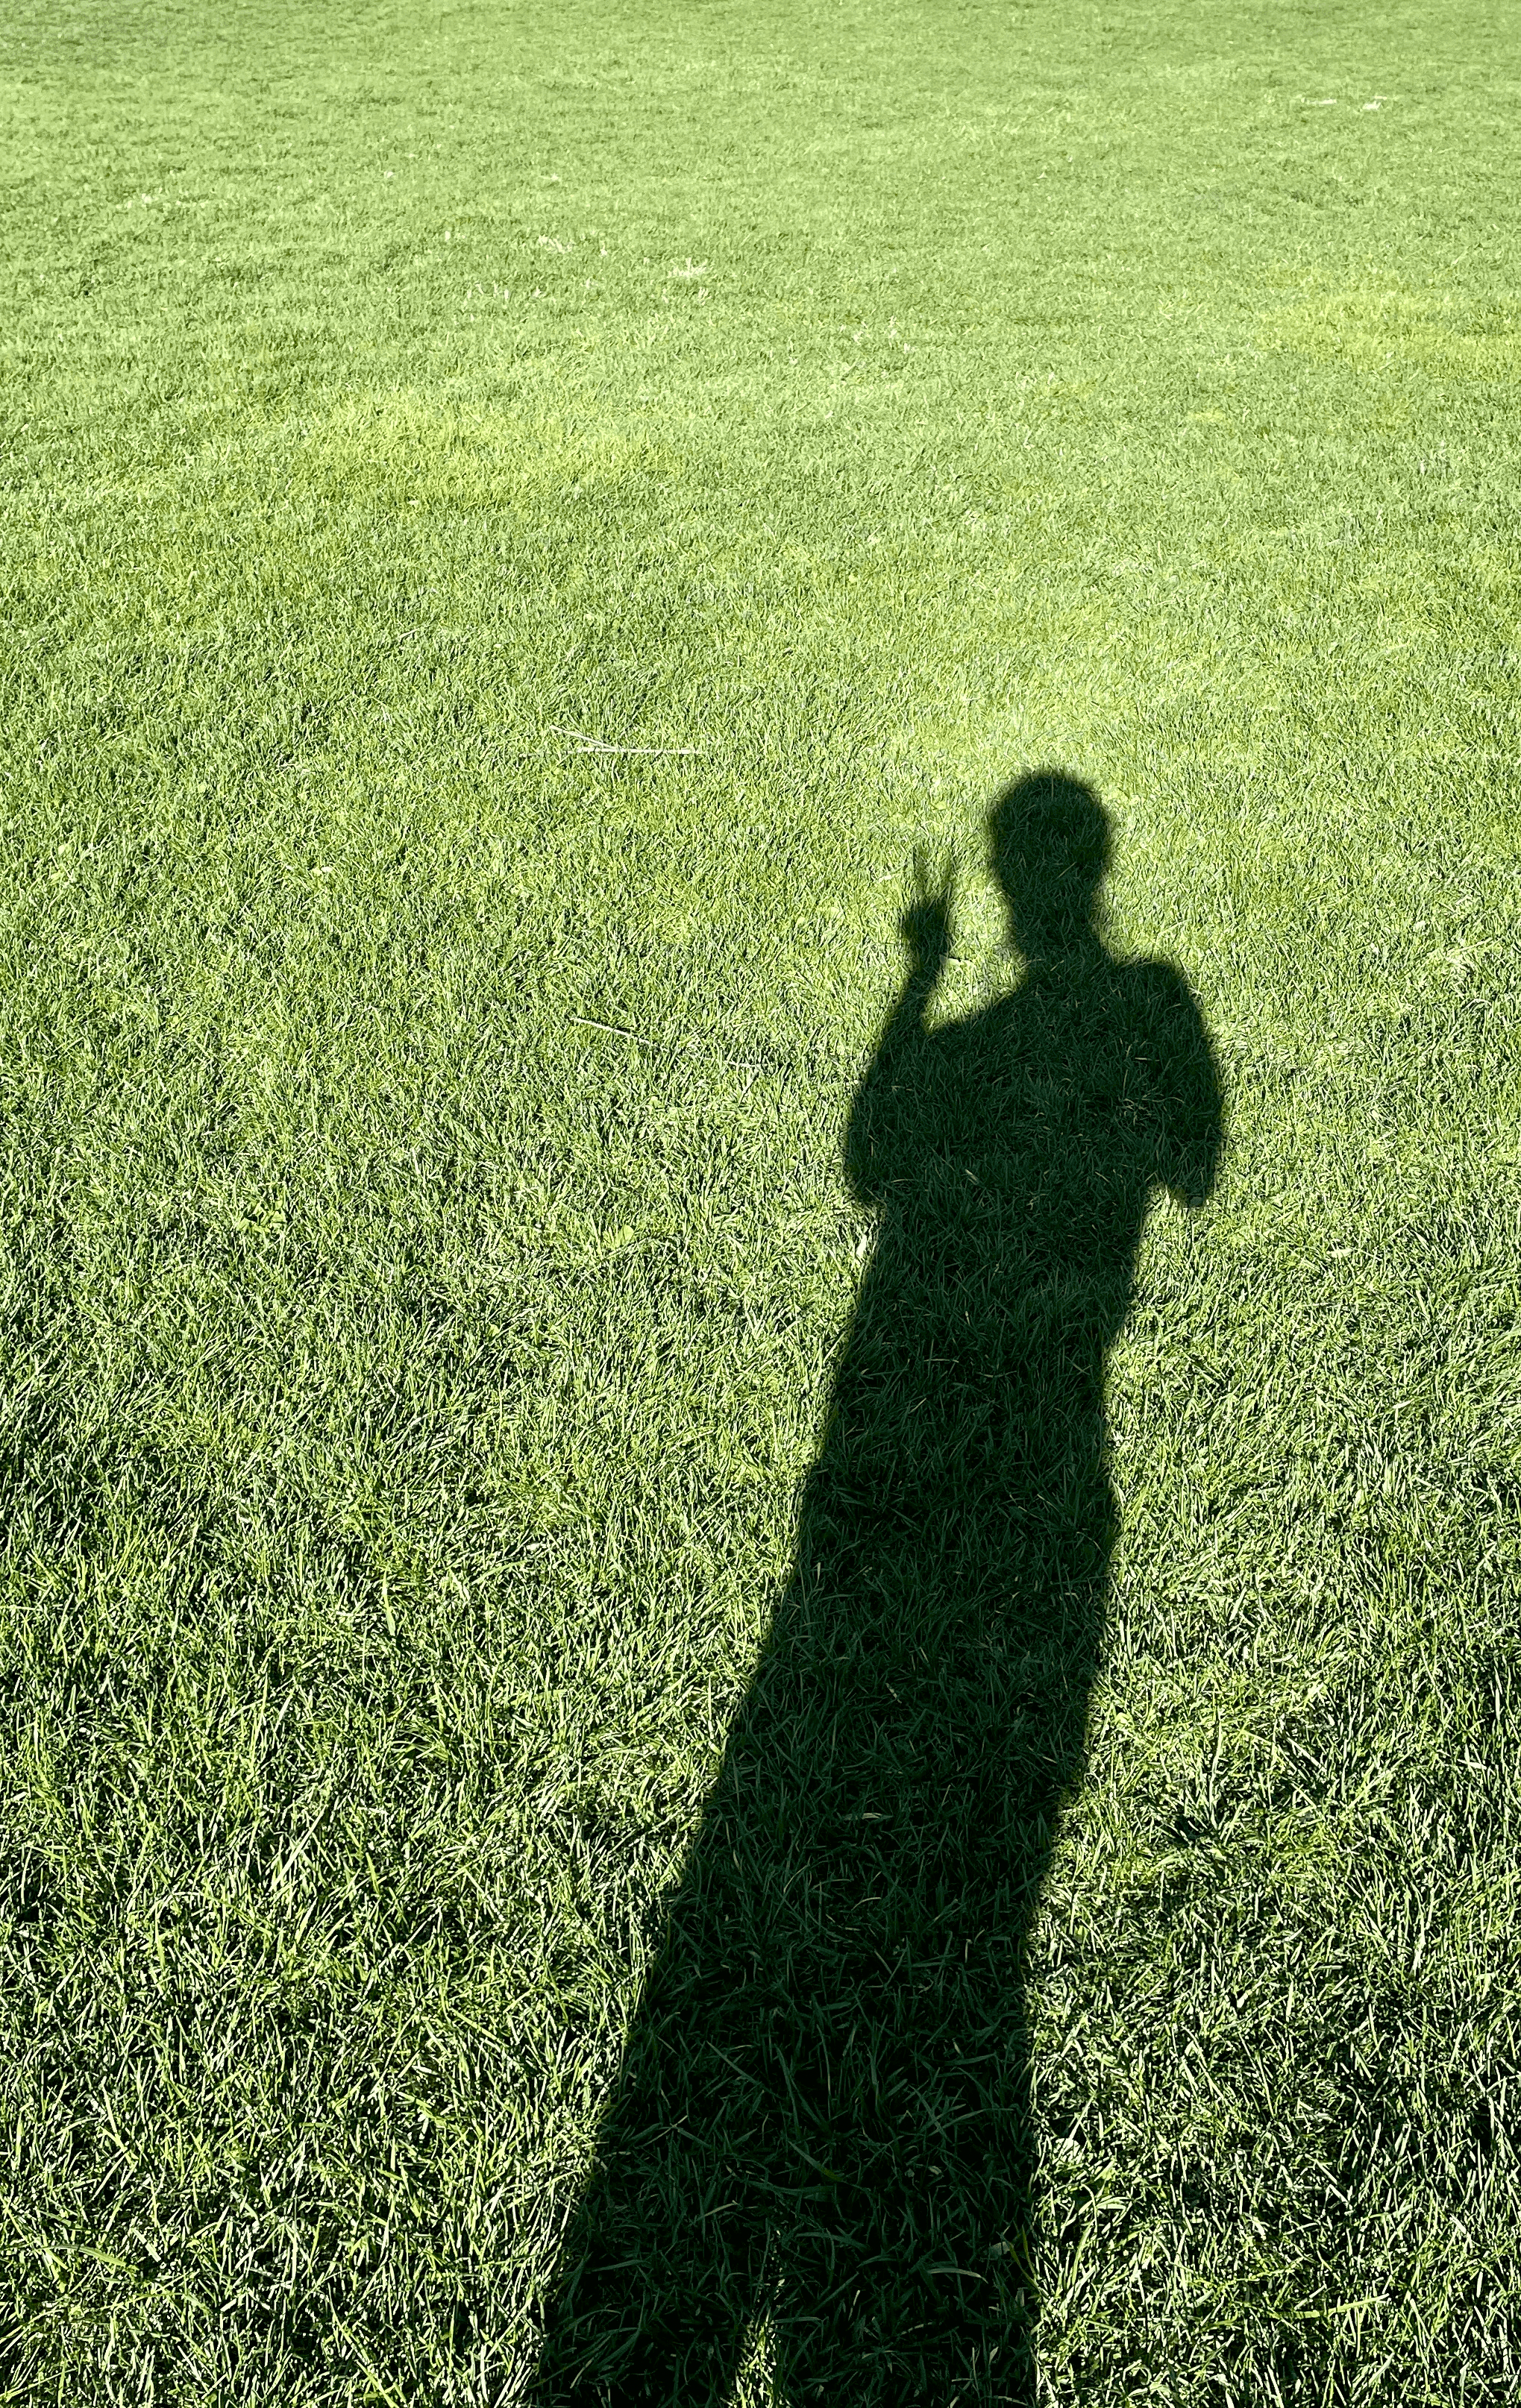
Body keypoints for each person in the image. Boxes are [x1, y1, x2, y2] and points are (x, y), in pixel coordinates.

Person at [534, 771, 1223, 2405]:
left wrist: (921, 977)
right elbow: (1191, 1165)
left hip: (901, 1419)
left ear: (1002, 880)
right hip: (1051, 1439)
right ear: (1093, 871)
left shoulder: (983, 1048)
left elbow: (869, 1159)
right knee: (995, 1791)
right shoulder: (1151, 1004)